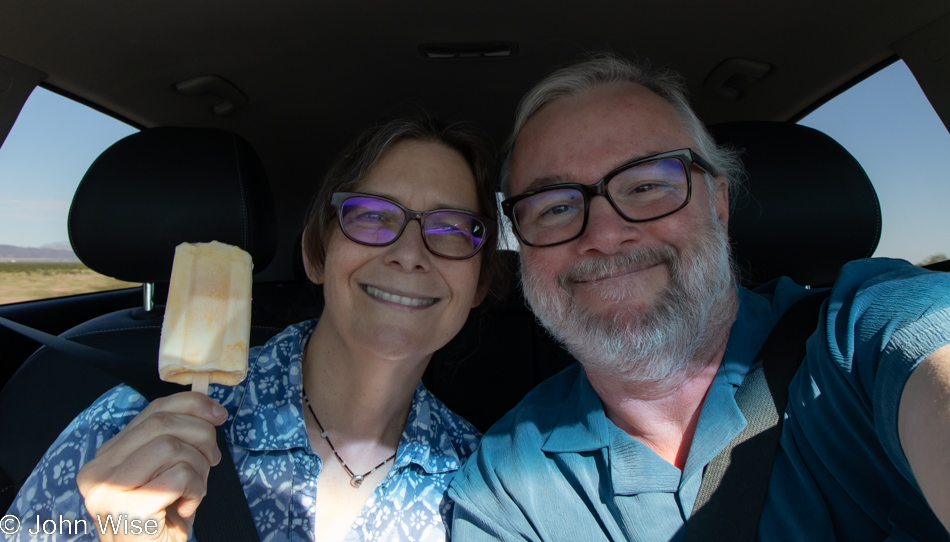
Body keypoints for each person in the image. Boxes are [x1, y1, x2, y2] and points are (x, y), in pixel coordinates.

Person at [447, 54, 950, 541]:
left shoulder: (865, 331)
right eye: (555, 207)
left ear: (720, 203)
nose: (604, 233)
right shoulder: (506, 484)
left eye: (646, 185)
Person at [8, 116, 503, 542]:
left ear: (479, 285)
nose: (410, 254)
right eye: (372, 216)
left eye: (453, 228)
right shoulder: (136, 424)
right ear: (315, 252)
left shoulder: (488, 490)